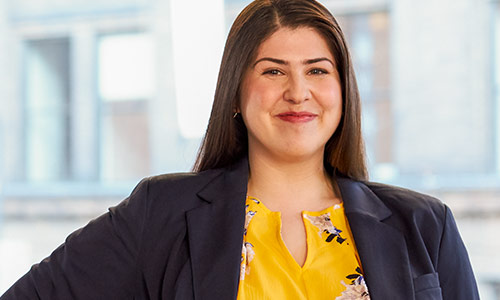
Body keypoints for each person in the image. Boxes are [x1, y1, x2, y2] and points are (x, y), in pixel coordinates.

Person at [1, 0, 479, 299]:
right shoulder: (161, 214)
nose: (298, 92)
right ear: (236, 90)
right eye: (273, 71)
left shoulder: (425, 225)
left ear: (343, 91)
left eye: (317, 70)